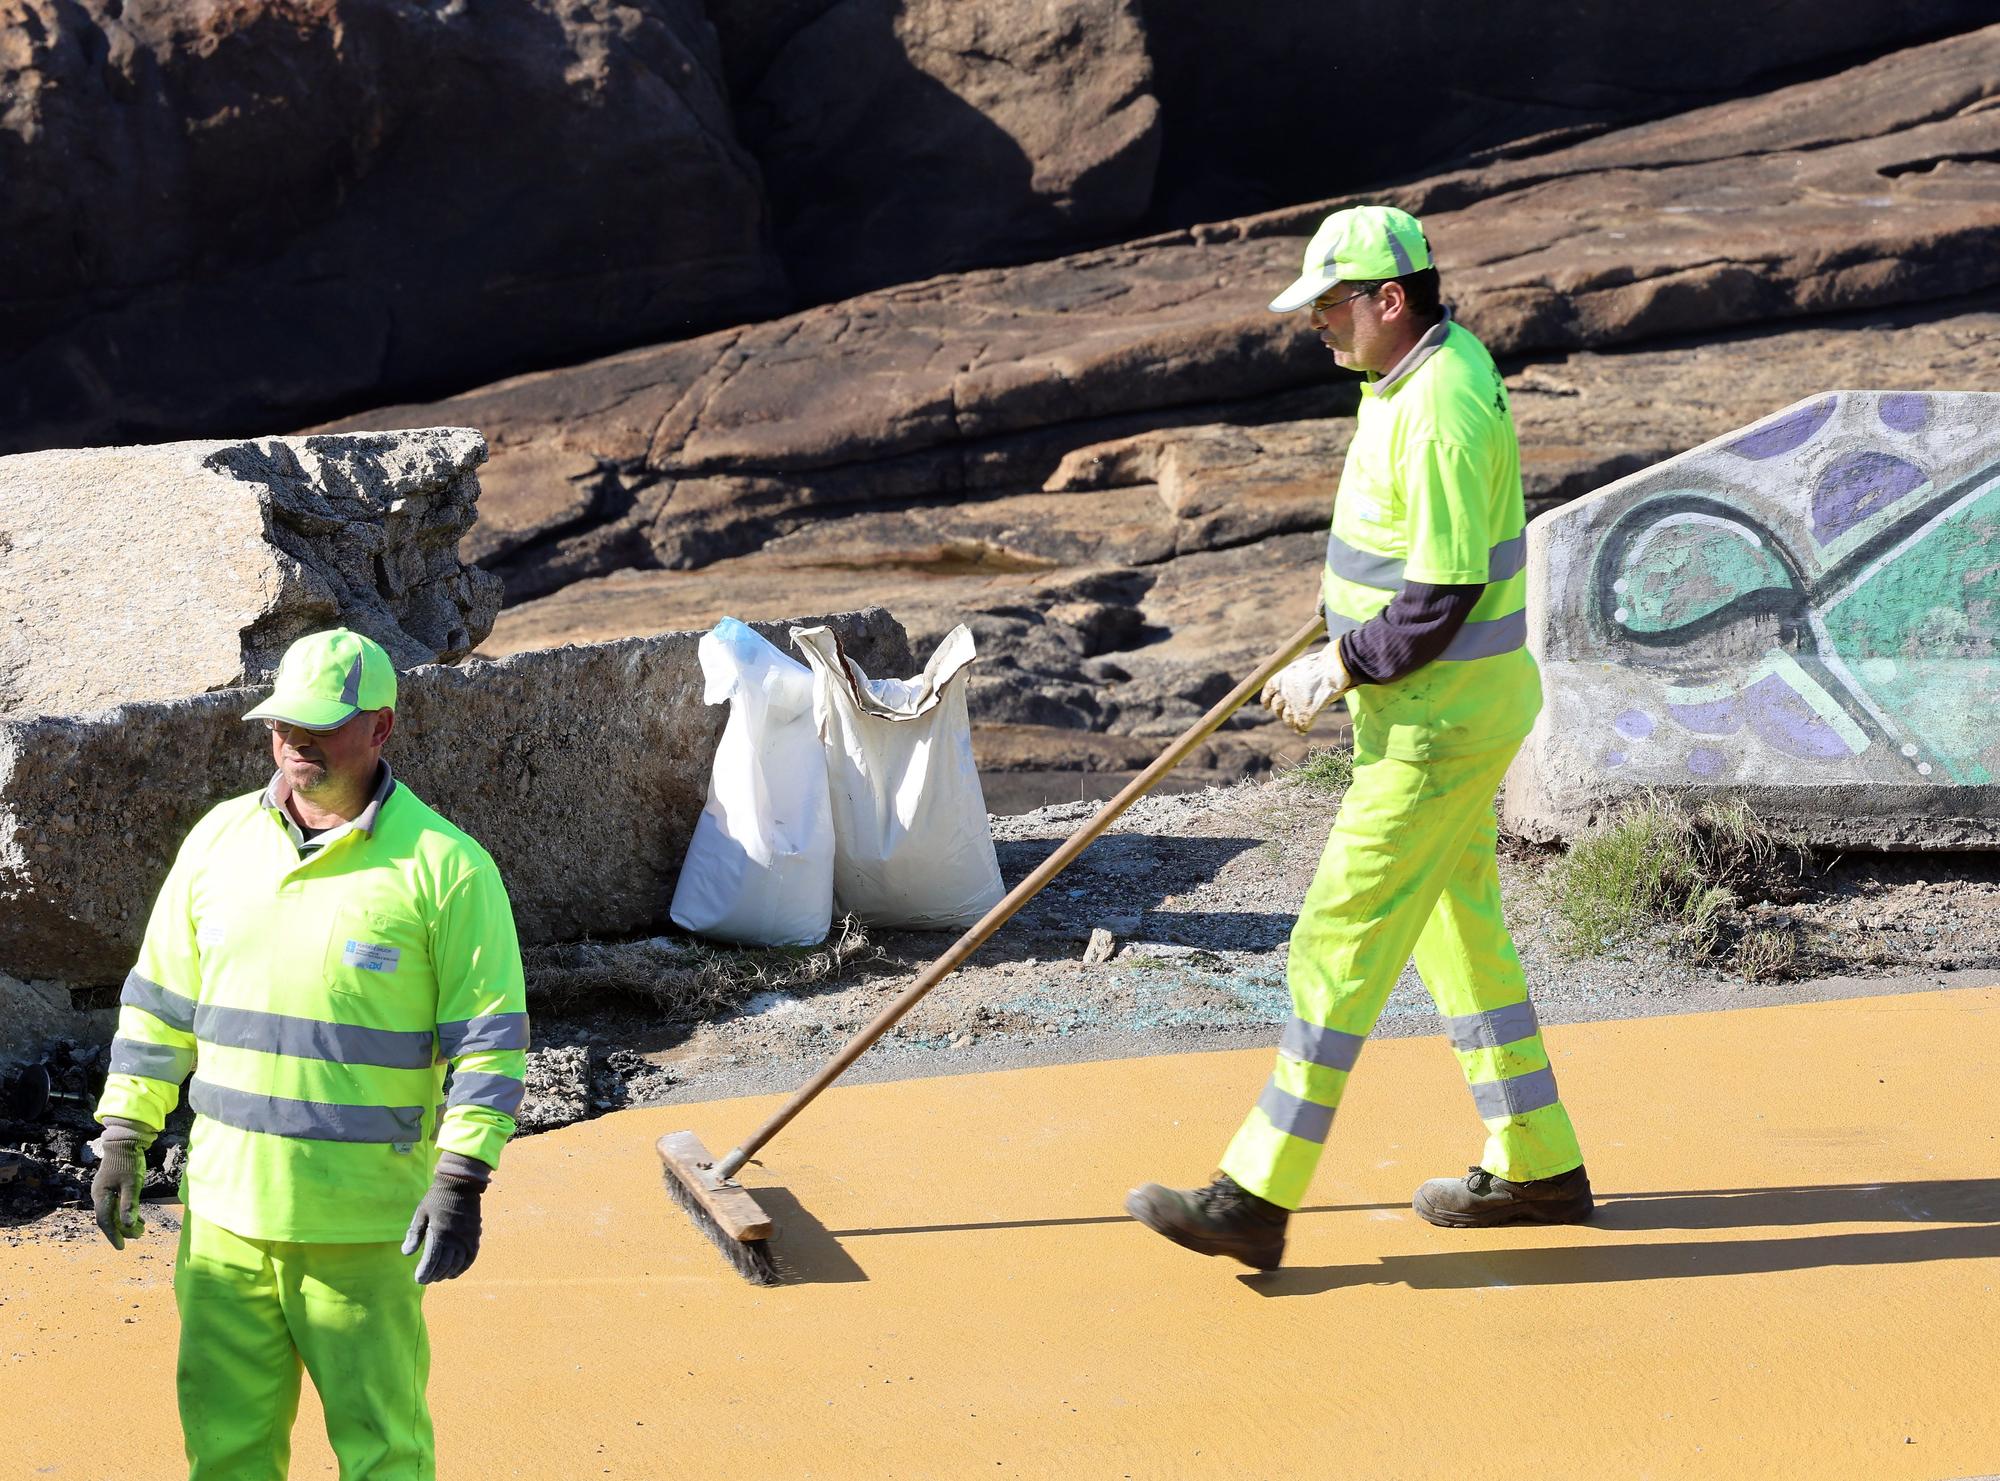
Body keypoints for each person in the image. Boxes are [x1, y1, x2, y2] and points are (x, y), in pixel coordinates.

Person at [1126, 206, 1590, 1271]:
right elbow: (1411, 558)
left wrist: (1339, 662)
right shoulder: (1426, 366)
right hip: (1447, 709)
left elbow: (1439, 592)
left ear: (1390, 298)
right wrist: (1342, 624)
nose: (1316, 328)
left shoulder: (1434, 405)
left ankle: (1253, 1192)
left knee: (1334, 942)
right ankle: (1538, 1159)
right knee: (1457, 932)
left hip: (1434, 722)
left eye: (1331, 307)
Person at [90, 627, 529, 1478]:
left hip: (361, 1230)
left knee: (382, 1453)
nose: (295, 738)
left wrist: (461, 1177)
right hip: (223, 1219)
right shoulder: (218, 843)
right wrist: (121, 1133)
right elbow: (157, 1006)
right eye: (283, 720)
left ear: (381, 729)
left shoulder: (446, 868)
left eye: (320, 723)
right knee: (225, 1450)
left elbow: (488, 1039)